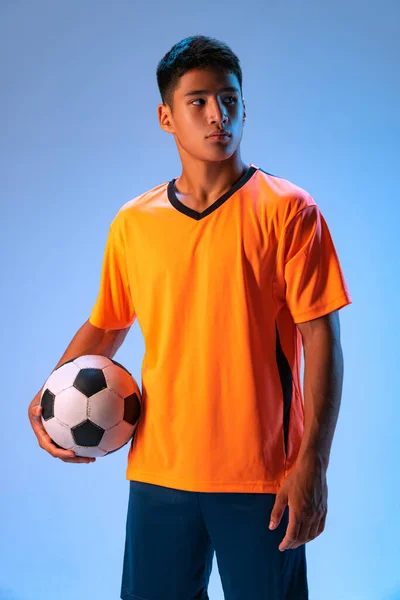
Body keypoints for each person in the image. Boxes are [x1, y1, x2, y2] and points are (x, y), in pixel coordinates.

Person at [28, 35, 352, 600]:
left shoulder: (290, 212)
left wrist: (313, 465)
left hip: (263, 477)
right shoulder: (134, 222)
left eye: (229, 99)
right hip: (159, 472)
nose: (217, 115)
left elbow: (321, 339)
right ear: (166, 117)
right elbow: (106, 327)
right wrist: (49, 396)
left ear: (245, 106)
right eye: (198, 101)